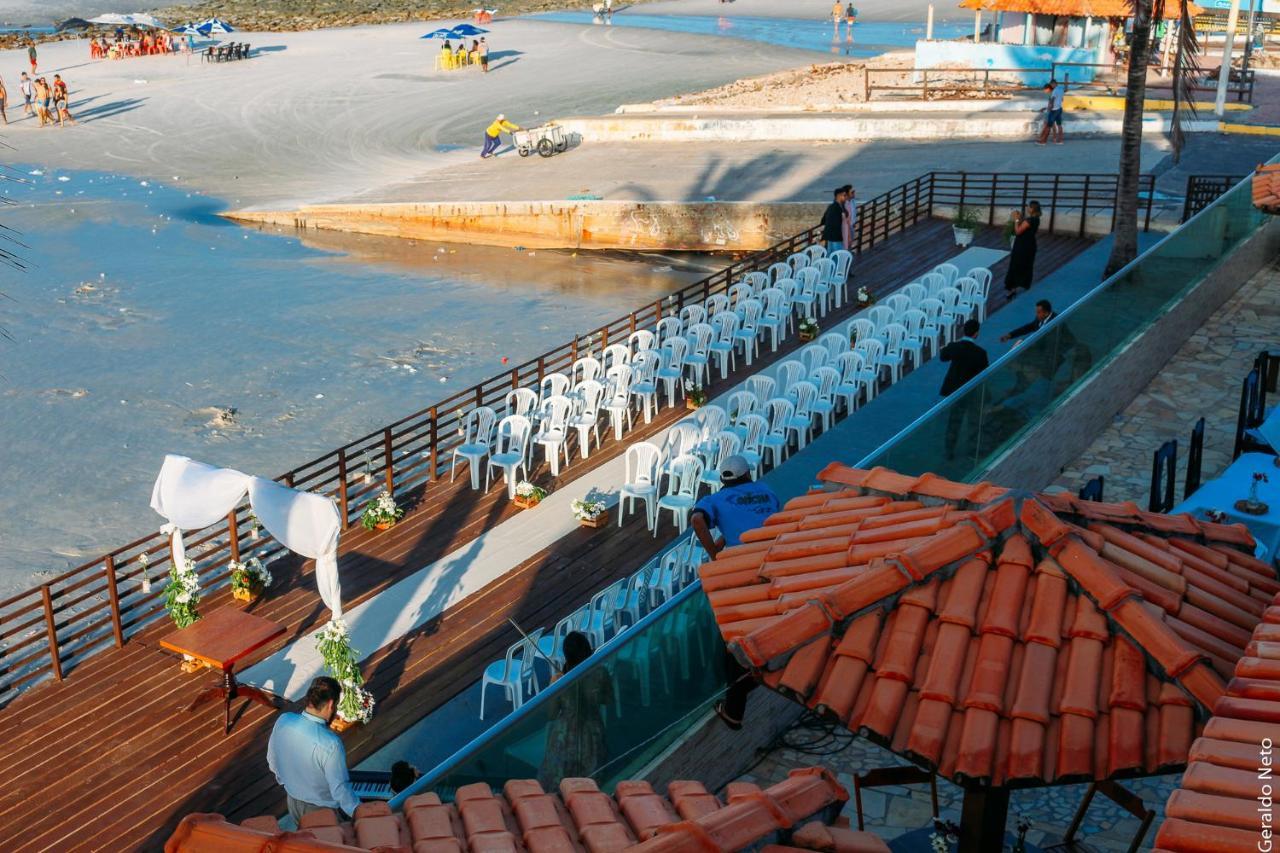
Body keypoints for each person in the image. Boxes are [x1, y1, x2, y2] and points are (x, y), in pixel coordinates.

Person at [690, 455, 782, 731]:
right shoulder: (766, 491)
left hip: (742, 570)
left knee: (734, 631)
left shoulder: (716, 500)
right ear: (747, 475)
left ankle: (735, 706)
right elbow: (755, 526)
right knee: (764, 621)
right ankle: (764, 670)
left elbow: (697, 520)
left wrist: (714, 553)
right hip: (772, 564)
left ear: (723, 480)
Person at [266, 676, 361, 824]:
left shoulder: (284, 720)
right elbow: (340, 791)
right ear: (330, 704)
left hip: (292, 802)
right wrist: (360, 812)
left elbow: (272, 761)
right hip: (321, 812)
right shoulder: (331, 744)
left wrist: (291, 785)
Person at [538, 631, 610, 786]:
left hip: (565, 737)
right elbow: (608, 699)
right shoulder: (600, 672)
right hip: (593, 732)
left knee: (559, 781)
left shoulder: (559, 680)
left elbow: (551, 714)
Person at [939, 319, 989, 459]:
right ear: (976, 334)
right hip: (972, 392)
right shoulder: (980, 353)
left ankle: (949, 451)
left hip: (955, 391)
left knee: (954, 422)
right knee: (973, 421)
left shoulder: (954, 346)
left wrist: (945, 348)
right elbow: (985, 374)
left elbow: (943, 357)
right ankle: (972, 451)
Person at [1002, 201, 1040, 297]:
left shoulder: (1029, 220)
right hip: (1030, 244)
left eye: (1028, 207)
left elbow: (1018, 231)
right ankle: (1023, 284)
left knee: (1016, 264)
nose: (1027, 208)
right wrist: (1020, 218)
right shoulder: (1036, 219)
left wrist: (1016, 220)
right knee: (1026, 264)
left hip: (1023, 245)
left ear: (1032, 209)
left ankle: (1012, 288)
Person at [1037, 79, 1065, 145]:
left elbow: (1052, 100)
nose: (1051, 86)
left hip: (1054, 110)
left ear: (1053, 83)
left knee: (1048, 126)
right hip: (1059, 109)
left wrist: (1049, 108)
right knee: (1059, 125)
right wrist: (1046, 108)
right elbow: (1062, 99)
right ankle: (1060, 141)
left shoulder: (1054, 91)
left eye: (1051, 84)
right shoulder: (1061, 89)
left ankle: (1043, 141)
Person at [820, 187, 846, 253]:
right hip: (835, 236)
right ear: (839, 196)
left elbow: (823, 220)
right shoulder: (836, 207)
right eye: (844, 195)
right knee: (837, 255)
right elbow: (835, 223)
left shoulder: (833, 206)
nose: (846, 197)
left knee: (831, 254)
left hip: (830, 236)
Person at [840, 184, 857, 256]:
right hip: (846, 227)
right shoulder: (843, 204)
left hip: (852, 225)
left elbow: (853, 213)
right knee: (846, 243)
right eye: (852, 192)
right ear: (846, 194)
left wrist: (854, 222)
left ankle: (848, 254)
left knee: (850, 242)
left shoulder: (853, 201)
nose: (854, 193)